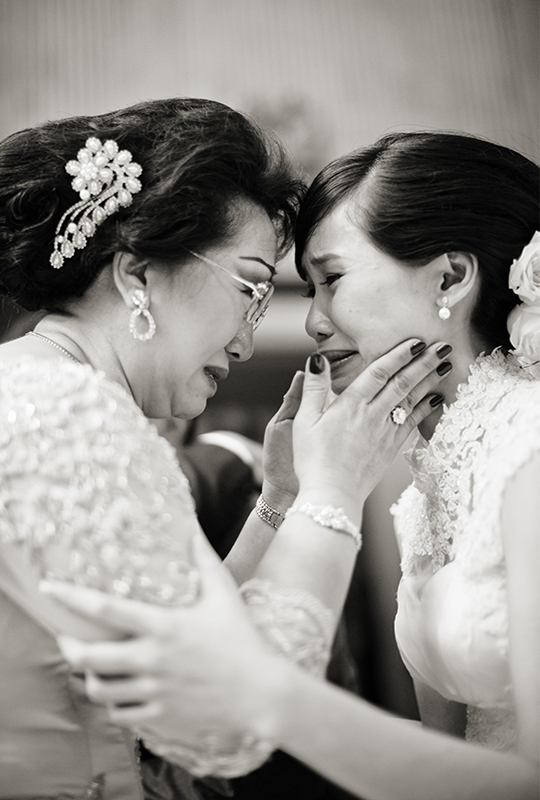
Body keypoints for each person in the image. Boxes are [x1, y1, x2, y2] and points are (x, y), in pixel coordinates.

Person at [47, 132, 539, 800]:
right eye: (305, 288)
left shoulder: (529, 451)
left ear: (449, 277)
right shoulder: (425, 489)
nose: (311, 322)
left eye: (331, 279)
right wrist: (289, 494)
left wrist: (275, 697)